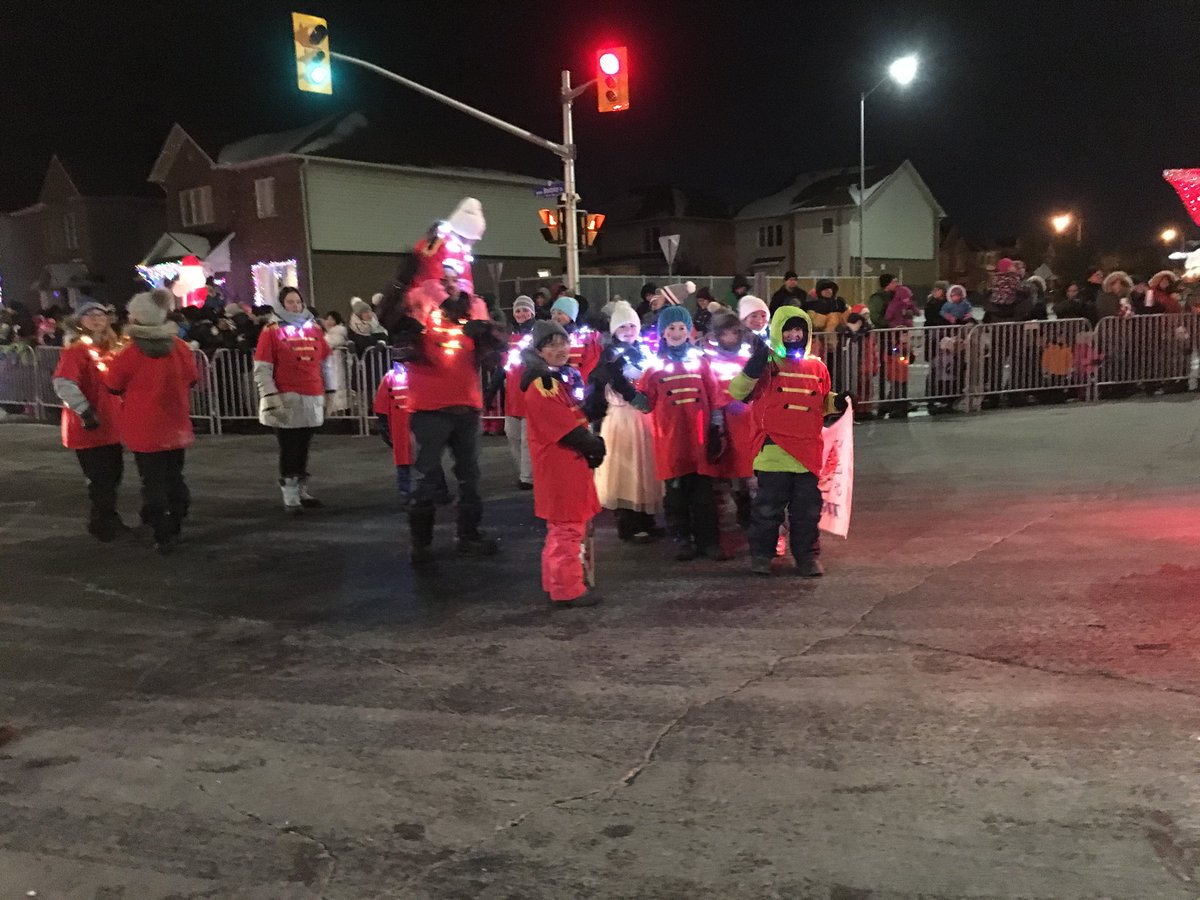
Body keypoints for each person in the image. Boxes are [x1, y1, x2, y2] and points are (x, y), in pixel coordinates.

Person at [729, 306, 848, 576]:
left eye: (799, 330)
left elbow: (821, 401)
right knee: (767, 510)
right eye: (788, 330)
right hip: (773, 450)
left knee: (806, 513)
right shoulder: (768, 364)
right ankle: (762, 555)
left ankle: (806, 557)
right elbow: (737, 391)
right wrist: (753, 366)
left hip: (807, 453)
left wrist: (838, 402)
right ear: (778, 332)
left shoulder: (817, 366)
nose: (794, 335)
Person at [401, 283, 505, 567]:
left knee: (469, 474)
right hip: (429, 407)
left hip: (466, 406)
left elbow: (497, 351)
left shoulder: (471, 316)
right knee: (425, 476)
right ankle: (421, 544)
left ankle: (467, 535)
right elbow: (398, 338)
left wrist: (486, 331)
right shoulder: (418, 315)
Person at [103, 289, 198, 553]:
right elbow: (192, 378)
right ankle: (177, 517)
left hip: (143, 426)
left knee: (152, 480)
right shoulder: (179, 347)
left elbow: (112, 384)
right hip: (175, 422)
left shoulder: (130, 352)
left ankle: (160, 529)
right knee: (174, 474)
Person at [521, 319, 606, 608]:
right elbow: (563, 427)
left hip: (565, 463)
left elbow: (572, 417)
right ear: (540, 350)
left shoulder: (555, 378)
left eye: (563, 343)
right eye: (552, 345)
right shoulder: (543, 383)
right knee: (567, 529)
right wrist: (591, 444)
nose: (560, 349)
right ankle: (567, 589)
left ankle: (558, 583)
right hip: (561, 464)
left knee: (563, 528)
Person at [634, 305, 726, 561]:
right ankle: (682, 539)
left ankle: (709, 541)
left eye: (682, 328)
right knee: (676, 496)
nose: (677, 333)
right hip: (670, 442)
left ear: (689, 331)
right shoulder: (654, 368)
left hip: (699, 440)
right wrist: (628, 391)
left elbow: (715, 395)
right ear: (663, 333)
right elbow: (644, 404)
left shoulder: (701, 362)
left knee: (704, 495)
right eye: (671, 328)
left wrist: (717, 428)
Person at [52, 298, 128, 541]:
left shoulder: (112, 349)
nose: (97, 318)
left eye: (102, 314)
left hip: (112, 425)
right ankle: (104, 523)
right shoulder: (77, 350)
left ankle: (106, 519)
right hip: (89, 426)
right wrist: (84, 410)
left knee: (113, 475)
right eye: (91, 315)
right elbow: (63, 382)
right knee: (101, 479)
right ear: (80, 320)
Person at [254, 286, 334, 513]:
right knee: (290, 447)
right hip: (286, 397)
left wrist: (331, 392)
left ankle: (300, 490)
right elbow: (263, 368)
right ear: (281, 305)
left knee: (304, 446)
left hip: (311, 396)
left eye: (298, 302)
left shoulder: (314, 329)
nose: (296, 306)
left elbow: (325, 362)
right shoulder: (271, 330)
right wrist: (270, 397)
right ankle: (290, 495)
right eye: (290, 302)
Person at [588, 300, 662, 542]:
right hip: (622, 418)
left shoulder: (645, 350)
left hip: (644, 418)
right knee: (626, 469)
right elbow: (605, 380)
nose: (628, 331)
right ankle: (628, 522)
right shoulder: (609, 355)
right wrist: (631, 394)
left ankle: (646, 518)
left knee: (645, 469)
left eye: (632, 325)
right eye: (622, 327)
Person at [704, 311, 757, 529]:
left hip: (749, 420)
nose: (729, 339)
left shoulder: (748, 356)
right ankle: (737, 507)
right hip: (725, 420)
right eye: (724, 334)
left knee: (749, 467)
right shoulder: (709, 359)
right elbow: (712, 387)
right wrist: (722, 407)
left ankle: (750, 512)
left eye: (733, 333)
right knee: (730, 467)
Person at [498, 295, 537, 488]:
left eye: (525, 310)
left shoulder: (536, 334)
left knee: (527, 438)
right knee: (511, 434)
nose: (521, 314)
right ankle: (524, 471)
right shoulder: (510, 335)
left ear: (532, 312)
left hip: (529, 391)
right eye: (518, 311)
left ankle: (528, 477)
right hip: (512, 393)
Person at [374, 360, 415, 505]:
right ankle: (407, 492)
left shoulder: (420, 375)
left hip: (416, 425)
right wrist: (384, 426)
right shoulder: (390, 378)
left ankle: (431, 492)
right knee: (405, 460)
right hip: (400, 428)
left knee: (424, 459)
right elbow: (381, 406)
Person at [549, 295, 602, 382]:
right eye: (553, 313)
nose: (555, 316)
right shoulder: (548, 337)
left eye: (560, 313)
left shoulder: (582, 339)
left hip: (576, 385)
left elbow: (589, 364)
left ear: (571, 316)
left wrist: (576, 380)